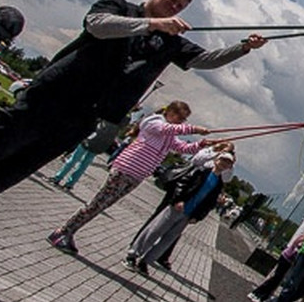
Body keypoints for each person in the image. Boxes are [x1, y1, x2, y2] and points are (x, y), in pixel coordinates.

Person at [0, 0, 267, 277]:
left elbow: (205, 60)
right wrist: (152, 23)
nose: (174, 8)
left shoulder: (171, 43)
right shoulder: (118, 6)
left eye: (180, 7)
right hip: (47, 100)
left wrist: (243, 47)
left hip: (80, 120)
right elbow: (98, 26)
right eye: (171, 0)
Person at [47, 100, 208, 253]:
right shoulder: (154, 122)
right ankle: (62, 231)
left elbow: (182, 147)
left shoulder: (169, 134)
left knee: (103, 205)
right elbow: (166, 129)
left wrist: (200, 145)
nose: (180, 122)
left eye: (183, 120)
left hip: (137, 175)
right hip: (126, 169)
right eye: (180, 118)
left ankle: (69, 232)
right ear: (170, 113)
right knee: (97, 203)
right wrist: (193, 129)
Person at [125, 152, 235, 275]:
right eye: (223, 160)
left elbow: (209, 203)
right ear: (216, 160)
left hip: (188, 215)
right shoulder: (201, 172)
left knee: (168, 240)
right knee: (155, 230)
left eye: (228, 163)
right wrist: (178, 199)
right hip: (178, 207)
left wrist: (197, 217)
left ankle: (145, 261)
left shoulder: (219, 184)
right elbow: (183, 183)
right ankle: (133, 255)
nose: (224, 164)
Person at [247, 204, 304, 302]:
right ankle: (259, 294)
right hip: (296, 249)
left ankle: (262, 295)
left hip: (291, 247)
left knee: (278, 275)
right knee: (283, 278)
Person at [51, 116, 127, 191]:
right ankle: (69, 184)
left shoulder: (113, 110)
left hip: (92, 137)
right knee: (84, 165)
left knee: (74, 159)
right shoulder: (126, 119)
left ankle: (58, 178)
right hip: (102, 144)